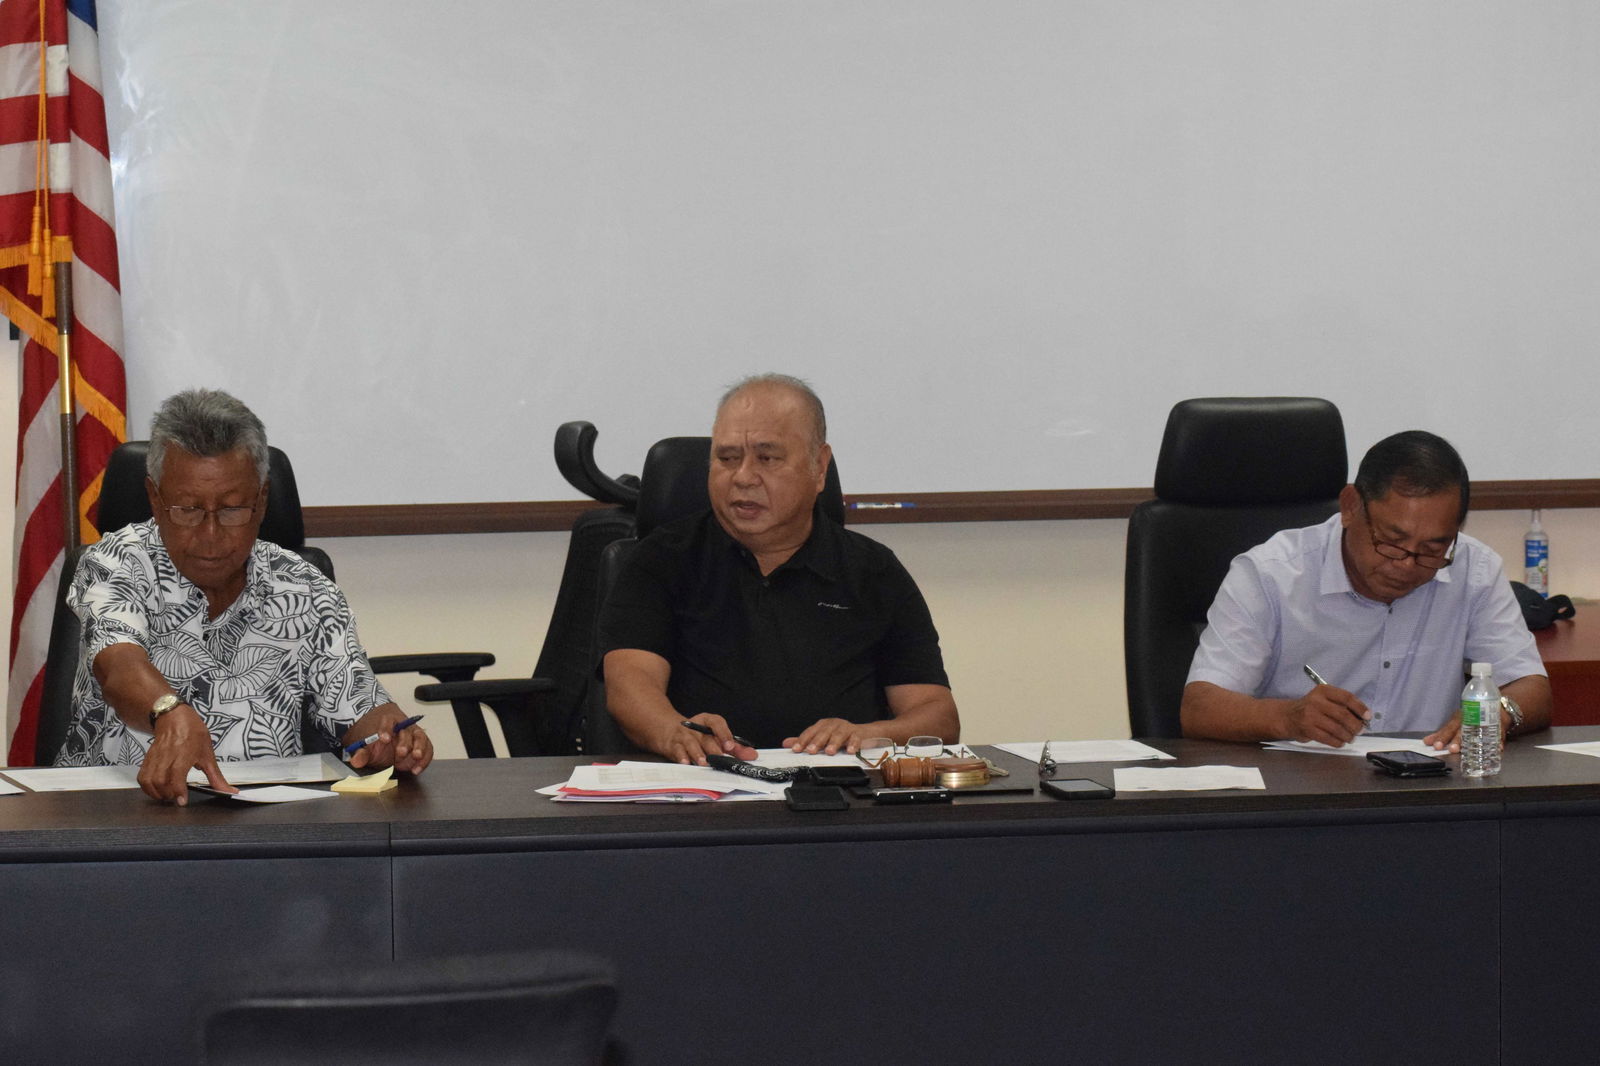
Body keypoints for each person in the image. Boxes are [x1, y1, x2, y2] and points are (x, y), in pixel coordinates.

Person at [55, 389, 431, 802]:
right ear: (155, 499)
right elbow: (118, 664)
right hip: (117, 820)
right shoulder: (114, 561)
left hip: (269, 825)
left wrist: (392, 737)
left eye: (233, 509)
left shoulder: (304, 586)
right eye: (188, 509)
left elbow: (358, 705)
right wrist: (168, 712)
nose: (211, 535)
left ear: (262, 500)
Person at [599, 373, 959, 764]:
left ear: (819, 467)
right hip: (698, 791)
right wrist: (675, 731)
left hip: (837, 799)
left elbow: (937, 715)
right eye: (727, 458)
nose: (743, 477)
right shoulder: (660, 559)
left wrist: (868, 735)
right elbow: (629, 685)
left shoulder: (873, 571)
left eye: (767, 458)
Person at [1181, 430, 1550, 750]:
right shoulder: (1269, 574)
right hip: (1300, 793)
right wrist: (1288, 717)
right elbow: (1200, 708)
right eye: (1392, 541)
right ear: (1350, 507)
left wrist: (1500, 711)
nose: (1407, 564)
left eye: (1433, 549)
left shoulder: (1475, 570)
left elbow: (1531, 687)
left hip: (1429, 790)